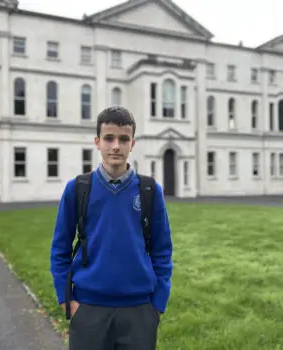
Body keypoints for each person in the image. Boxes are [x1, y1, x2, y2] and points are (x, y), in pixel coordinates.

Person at [50, 106, 173, 350]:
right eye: (109, 138)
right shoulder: (78, 189)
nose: (116, 146)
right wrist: (67, 301)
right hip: (89, 308)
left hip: (139, 310)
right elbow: (60, 249)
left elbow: (162, 251)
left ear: (132, 144)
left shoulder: (149, 191)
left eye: (123, 139)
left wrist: (157, 305)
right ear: (97, 142)